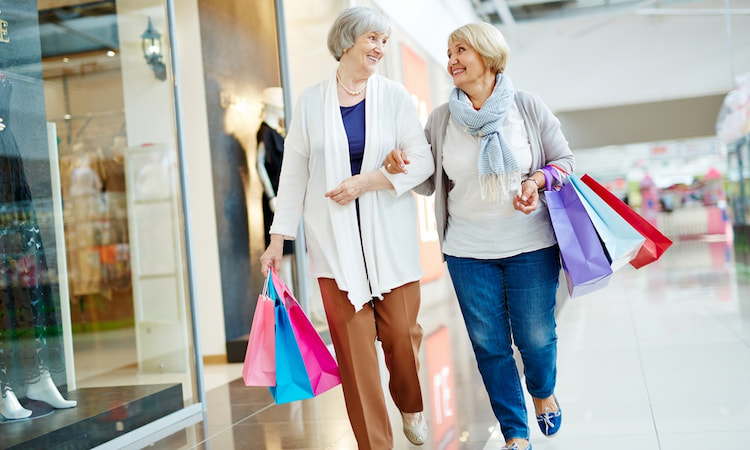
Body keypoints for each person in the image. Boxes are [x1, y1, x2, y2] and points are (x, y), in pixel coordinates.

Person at [385, 22, 575, 450]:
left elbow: (565, 160)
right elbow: (427, 181)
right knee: (490, 345)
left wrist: (538, 181)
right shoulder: (440, 120)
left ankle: (542, 391)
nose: (451, 59)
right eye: (449, 51)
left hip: (530, 244)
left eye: (461, 50)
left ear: (488, 57)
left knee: (536, 337)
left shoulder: (526, 107)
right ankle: (515, 433)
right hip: (468, 251)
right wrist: (401, 165)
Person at [259, 6, 434, 449]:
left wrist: (373, 179)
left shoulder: (392, 96)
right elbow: (293, 174)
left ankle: (410, 404)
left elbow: (423, 161)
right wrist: (278, 238)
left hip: (390, 244)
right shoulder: (310, 102)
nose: (379, 48)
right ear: (346, 42)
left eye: (384, 41)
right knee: (355, 358)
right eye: (372, 39)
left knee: (400, 336)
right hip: (334, 249)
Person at [256, 87, 294, 288]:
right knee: (281, 252)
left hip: (284, 196)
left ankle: (295, 301)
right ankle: (287, 301)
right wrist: (271, 196)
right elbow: (260, 164)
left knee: (290, 252)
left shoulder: (278, 132)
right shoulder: (264, 132)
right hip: (275, 199)